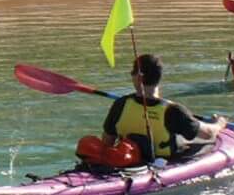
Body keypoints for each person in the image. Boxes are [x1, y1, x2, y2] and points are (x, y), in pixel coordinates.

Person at [86, 53, 223, 167]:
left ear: (138, 76)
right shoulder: (173, 111)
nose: (130, 74)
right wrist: (219, 124)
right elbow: (208, 134)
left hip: (127, 162)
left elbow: (107, 142)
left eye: (132, 71)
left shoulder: (121, 104)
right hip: (161, 165)